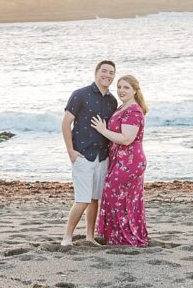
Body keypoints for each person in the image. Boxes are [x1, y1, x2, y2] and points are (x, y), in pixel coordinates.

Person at [61, 60, 119, 246]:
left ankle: (89, 237)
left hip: (103, 157)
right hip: (83, 155)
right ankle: (67, 237)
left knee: (94, 199)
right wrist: (71, 152)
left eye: (111, 73)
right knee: (82, 200)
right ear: (96, 72)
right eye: (104, 71)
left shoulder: (112, 101)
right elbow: (65, 123)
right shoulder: (80, 95)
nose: (107, 75)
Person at [92, 74, 149, 247]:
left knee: (116, 196)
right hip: (120, 160)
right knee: (122, 199)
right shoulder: (121, 107)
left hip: (130, 161)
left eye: (126, 88)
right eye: (119, 87)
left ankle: (125, 238)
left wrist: (102, 129)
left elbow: (126, 139)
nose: (121, 91)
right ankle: (119, 237)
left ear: (134, 91)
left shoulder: (133, 110)